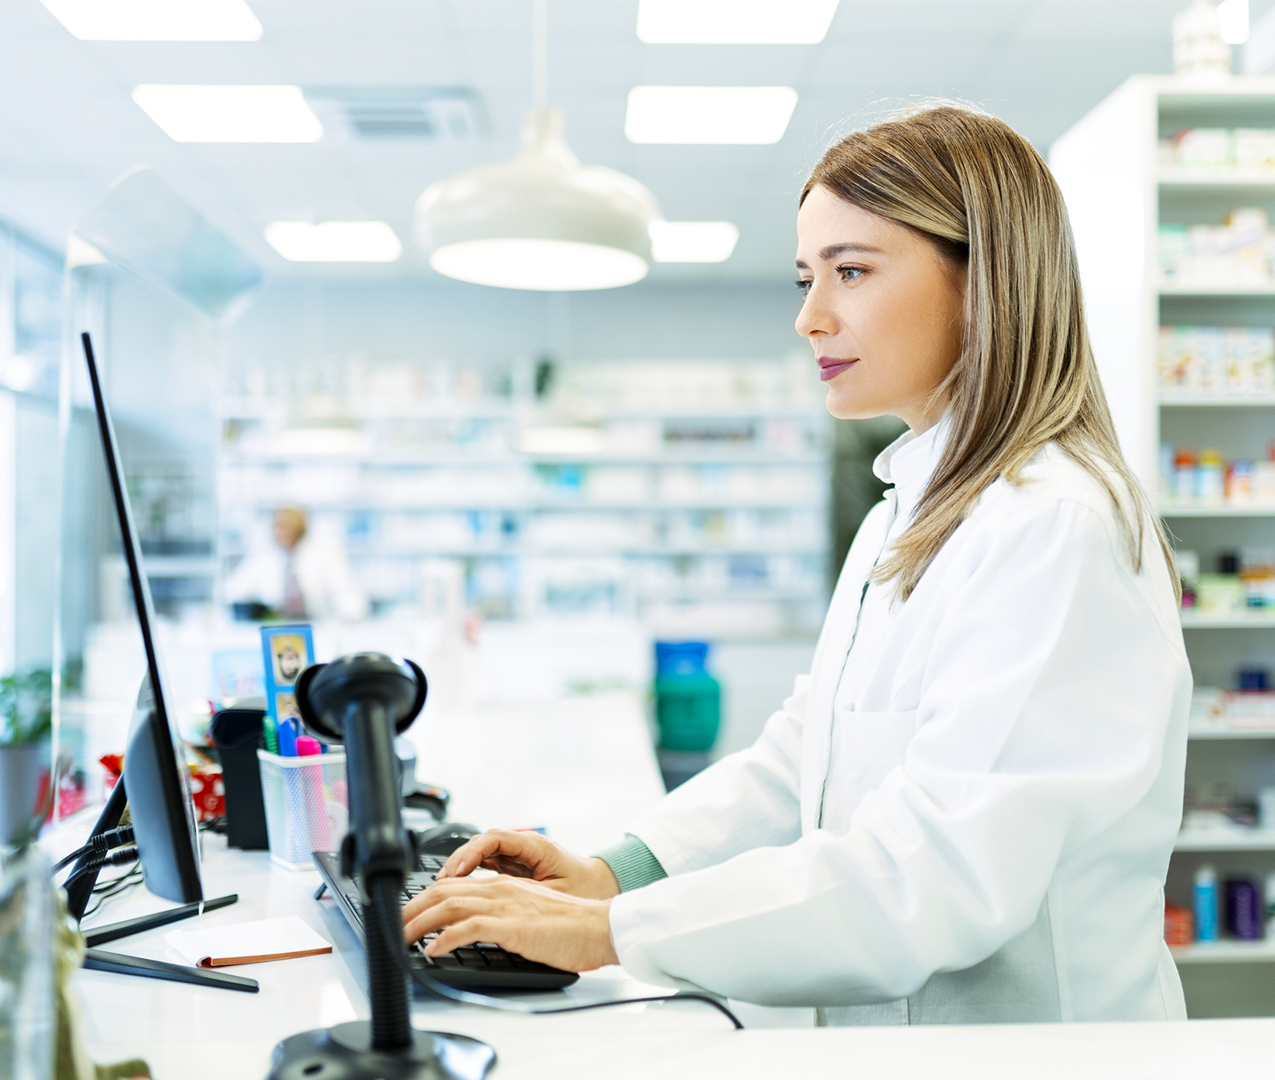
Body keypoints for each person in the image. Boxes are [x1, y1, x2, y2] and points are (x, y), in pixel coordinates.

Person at [402, 104, 1190, 1025]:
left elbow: (933, 876)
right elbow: (809, 750)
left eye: (850, 272)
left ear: (985, 282)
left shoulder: (1053, 525)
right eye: (806, 276)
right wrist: (614, 873)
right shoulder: (915, 502)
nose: (810, 317)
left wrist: (613, 929)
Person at [223, 506, 368, 622]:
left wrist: (348, 618)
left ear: (298, 528)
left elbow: (347, 593)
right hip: (278, 625)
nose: (278, 532)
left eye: (284, 526)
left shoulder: (325, 554)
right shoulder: (264, 555)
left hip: (318, 625)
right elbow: (234, 590)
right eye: (275, 526)